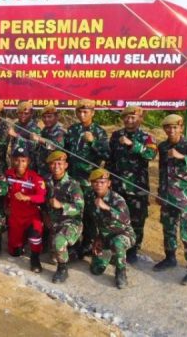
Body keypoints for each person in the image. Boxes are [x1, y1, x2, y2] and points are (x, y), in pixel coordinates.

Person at [153, 114, 187, 284]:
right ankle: (170, 258)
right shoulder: (163, 146)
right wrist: (160, 193)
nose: (171, 130)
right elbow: (162, 171)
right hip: (168, 195)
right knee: (168, 228)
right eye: (168, 127)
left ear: (181, 128)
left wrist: (182, 157)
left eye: (175, 127)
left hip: (186, 197)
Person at [106, 106, 157, 263]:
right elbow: (110, 158)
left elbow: (150, 155)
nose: (129, 120)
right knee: (117, 217)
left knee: (137, 219)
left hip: (137, 187)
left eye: (133, 117)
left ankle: (134, 249)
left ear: (140, 119)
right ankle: (118, 248)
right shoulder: (116, 135)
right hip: (118, 185)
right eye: (127, 117)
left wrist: (132, 144)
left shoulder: (147, 137)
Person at [63, 99, 109, 256]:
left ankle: (89, 244)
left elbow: (106, 154)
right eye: (80, 112)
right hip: (73, 179)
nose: (82, 115)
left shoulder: (99, 132)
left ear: (93, 112)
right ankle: (74, 243)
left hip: (89, 181)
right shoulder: (72, 130)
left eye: (86, 112)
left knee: (90, 213)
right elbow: (66, 152)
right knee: (75, 212)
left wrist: (93, 142)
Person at [88, 169, 134, 289]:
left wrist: (107, 208)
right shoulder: (90, 197)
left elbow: (126, 220)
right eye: (95, 182)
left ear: (108, 183)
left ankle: (121, 272)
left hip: (122, 234)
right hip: (104, 236)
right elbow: (91, 221)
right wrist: (96, 239)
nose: (98, 185)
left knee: (118, 243)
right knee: (96, 270)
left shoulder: (117, 199)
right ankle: (109, 255)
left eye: (102, 182)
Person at [45, 151, 84, 284]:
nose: (56, 166)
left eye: (59, 163)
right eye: (53, 163)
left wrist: (61, 205)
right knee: (52, 256)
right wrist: (45, 217)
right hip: (53, 223)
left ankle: (62, 269)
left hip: (71, 222)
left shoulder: (73, 185)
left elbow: (79, 208)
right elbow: (43, 202)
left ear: (66, 165)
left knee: (58, 243)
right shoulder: (47, 181)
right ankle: (73, 250)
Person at [5, 147, 46, 273]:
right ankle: (20, 243)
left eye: (23, 160)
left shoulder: (35, 178)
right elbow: (3, 192)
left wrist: (27, 197)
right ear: (12, 160)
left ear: (28, 161)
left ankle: (35, 257)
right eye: (17, 160)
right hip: (15, 217)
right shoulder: (8, 174)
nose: (20, 163)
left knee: (35, 236)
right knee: (14, 252)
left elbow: (41, 198)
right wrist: (5, 206)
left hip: (30, 217)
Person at [33, 105, 65, 180]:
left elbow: (57, 147)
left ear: (56, 117)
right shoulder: (45, 129)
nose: (46, 119)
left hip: (53, 170)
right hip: (43, 169)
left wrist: (40, 139)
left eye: (49, 117)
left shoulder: (59, 131)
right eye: (44, 117)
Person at [8, 101, 41, 167]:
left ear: (31, 114)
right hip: (15, 163)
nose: (23, 115)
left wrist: (16, 135)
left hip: (29, 165)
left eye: (26, 113)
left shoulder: (35, 128)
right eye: (20, 113)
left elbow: (34, 146)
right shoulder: (16, 125)